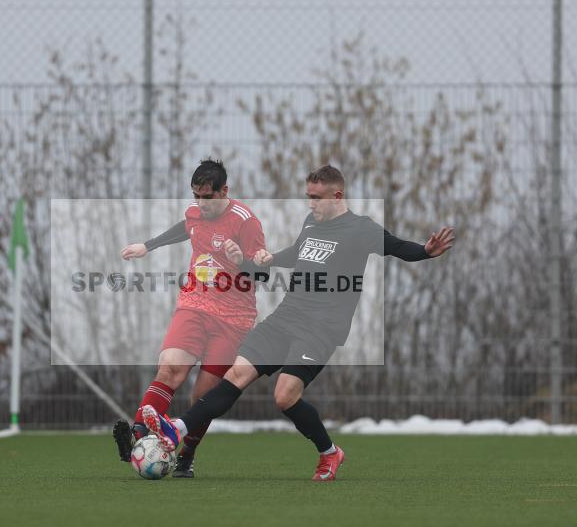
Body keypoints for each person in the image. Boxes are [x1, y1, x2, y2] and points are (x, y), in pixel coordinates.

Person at [142, 164, 455, 481]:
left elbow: (397, 246)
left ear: (337, 196)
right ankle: (176, 429)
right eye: (308, 196)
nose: (310, 203)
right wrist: (266, 259)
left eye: (317, 198)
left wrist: (426, 251)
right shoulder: (311, 222)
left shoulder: (361, 229)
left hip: (321, 329)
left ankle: (329, 452)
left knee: (285, 397)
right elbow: (297, 254)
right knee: (236, 373)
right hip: (286, 317)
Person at [112, 159, 266, 478]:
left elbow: (262, 274)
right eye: (196, 196)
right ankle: (138, 436)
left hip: (233, 320)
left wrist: (242, 261)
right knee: (170, 368)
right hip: (194, 305)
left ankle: (187, 455)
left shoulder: (245, 221)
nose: (201, 203)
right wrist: (147, 246)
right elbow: (185, 228)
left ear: (224, 191)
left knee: (203, 396)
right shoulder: (195, 213)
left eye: (207, 197)